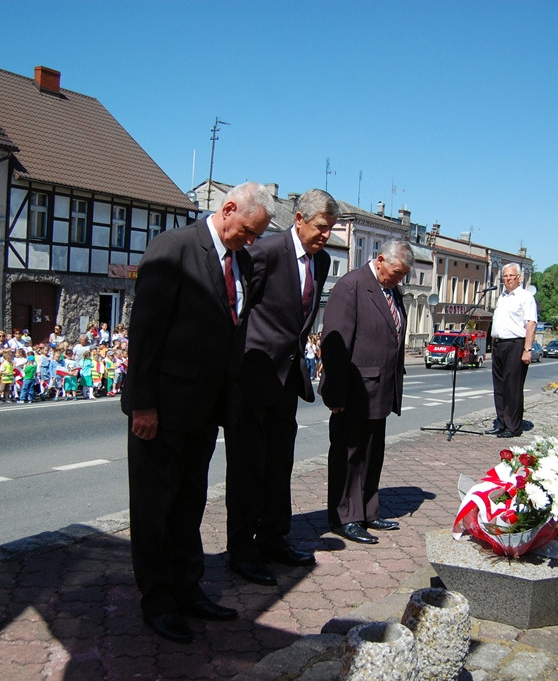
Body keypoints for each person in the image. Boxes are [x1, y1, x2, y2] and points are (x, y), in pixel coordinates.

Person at [121, 181, 273, 644]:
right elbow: (145, 332)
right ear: (227, 209)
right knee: (154, 509)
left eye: (256, 236)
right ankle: (159, 601)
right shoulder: (174, 249)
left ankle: (188, 589)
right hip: (162, 409)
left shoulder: (242, 261)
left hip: (205, 411)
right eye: (247, 231)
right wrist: (143, 403)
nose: (249, 242)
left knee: (189, 505)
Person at [224, 188, 337, 586]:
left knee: (278, 465)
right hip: (253, 376)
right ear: (300, 220)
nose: (325, 236)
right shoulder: (266, 252)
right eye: (321, 227)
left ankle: (274, 539)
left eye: (331, 230)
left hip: (287, 380)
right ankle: (242, 550)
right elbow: (238, 306)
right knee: (246, 468)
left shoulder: (320, 262)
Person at [320, 240, 414, 545]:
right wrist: (335, 394)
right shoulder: (351, 287)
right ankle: (345, 516)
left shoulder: (392, 289)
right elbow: (336, 346)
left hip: (381, 389)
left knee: (372, 455)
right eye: (397, 272)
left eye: (404, 275)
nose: (400, 279)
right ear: (381, 260)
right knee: (349, 456)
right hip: (355, 388)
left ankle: (368, 511)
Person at [487, 264, 538, 438]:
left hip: (515, 344)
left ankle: (513, 426)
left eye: (511, 276)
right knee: (499, 387)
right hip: (499, 345)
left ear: (519, 278)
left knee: (513, 387)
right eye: (505, 276)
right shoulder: (502, 297)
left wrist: (527, 349)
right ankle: (501, 423)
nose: (508, 279)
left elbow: (531, 324)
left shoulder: (525, 297)